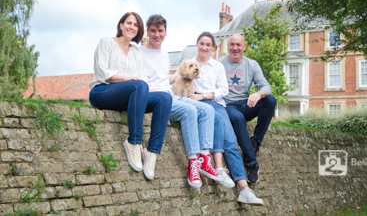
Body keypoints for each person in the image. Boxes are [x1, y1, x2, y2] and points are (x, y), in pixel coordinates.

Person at [140, 15, 224, 188]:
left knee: (208, 110)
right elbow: (141, 83)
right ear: (147, 32)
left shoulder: (164, 53)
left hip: (169, 95)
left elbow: (164, 79)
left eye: (160, 31)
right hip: (156, 99)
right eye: (153, 31)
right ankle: (193, 162)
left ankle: (204, 159)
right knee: (190, 111)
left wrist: (182, 75)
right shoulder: (139, 52)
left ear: (165, 32)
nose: (157, 34)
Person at [89, 12, 172, 180]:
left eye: (135, 25)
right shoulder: (107, 42)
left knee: (164, 98)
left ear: (138, 30)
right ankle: (133, 142)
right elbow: (103, 72)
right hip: (102, 91)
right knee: (139, 85)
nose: (131, 27)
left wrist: (134, 83)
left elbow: (143, 78)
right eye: (129, 23)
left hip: (128, 95)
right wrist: (128, 79)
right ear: (121, 25)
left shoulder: (136, 50)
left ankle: (152, 151)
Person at [188, 31, 263, 205]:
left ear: (213, 48)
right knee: (217, 127)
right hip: (201, 105)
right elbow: (181, 82)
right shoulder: (189, 64)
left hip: (217, 103)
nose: (205, 47)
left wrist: (205, 95)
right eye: (202, 44)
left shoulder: (217, 66)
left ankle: (244, 189)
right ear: (197, 44)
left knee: (231, 143)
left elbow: (224, 90)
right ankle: (218, 168)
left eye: (208, 45)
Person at [217, 34, 277, 183]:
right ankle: (252, 163)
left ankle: (255, 141)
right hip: (228, 105)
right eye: (232, 44)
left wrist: (258, 93)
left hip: (246, 103)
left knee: (270, 100)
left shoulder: (252, 64)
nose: (235, 48)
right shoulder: (218, 64)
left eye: (238, 45)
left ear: (244, 47)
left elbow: (266, 86)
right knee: (237, 118)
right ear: (228, 46)